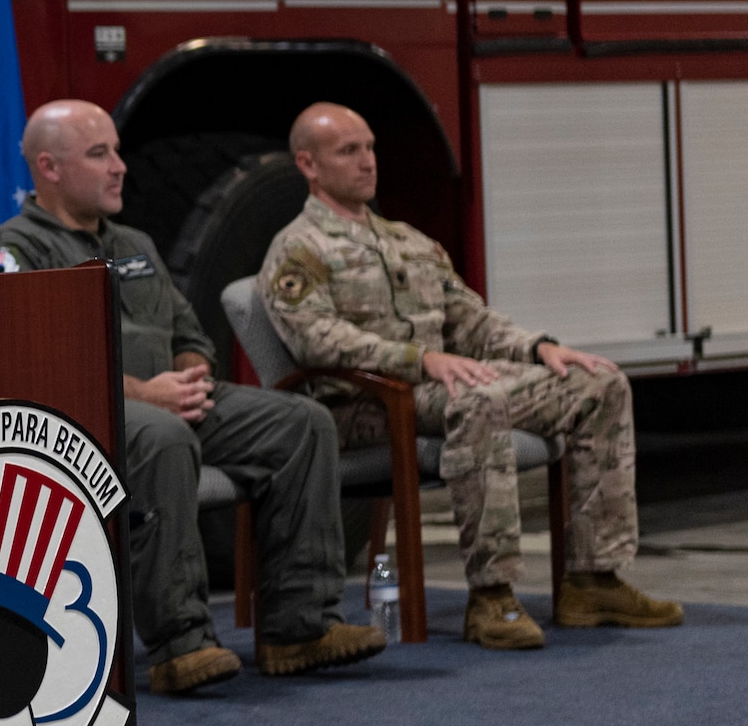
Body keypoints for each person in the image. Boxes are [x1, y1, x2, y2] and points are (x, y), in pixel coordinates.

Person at [0, 100, 384, 692]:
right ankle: (179, 643)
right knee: (162, 438)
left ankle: (302, 628)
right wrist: (144, 393)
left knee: (304, 423)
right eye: (99, 154)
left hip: (172, 401)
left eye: (116, 151)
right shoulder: (14, 255)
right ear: (49, 168)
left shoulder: (134, 243)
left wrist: (189, 374)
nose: (119, 166)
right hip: (79, 415)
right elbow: (19, 368)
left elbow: (189, 333)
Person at [259, 102, 682, 651]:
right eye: (349, 151)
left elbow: (472, 320)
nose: (367, 162)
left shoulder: (407, 240)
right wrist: (419, 360)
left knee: (597, 385)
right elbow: (316, 339)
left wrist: (539, 347)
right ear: (308, 165)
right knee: (478, 399)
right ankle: (492, 595)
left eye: (370, 148)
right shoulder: (298, 249)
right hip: (363, 406)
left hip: (436, 389)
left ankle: (592, 580)